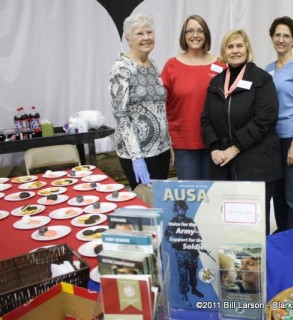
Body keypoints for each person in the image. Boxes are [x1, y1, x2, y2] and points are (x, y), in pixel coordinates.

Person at [201, 29, 282, 235]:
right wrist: (214, 147)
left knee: (252, 224)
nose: (235, 51)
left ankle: (256, 266)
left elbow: (265, 118)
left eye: (239, 45)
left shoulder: (261, 79)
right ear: (224, 51)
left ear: (247, 49)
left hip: (256, 162)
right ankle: (230, 265)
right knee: (227, 222)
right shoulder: (216, 82)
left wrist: (236, 147)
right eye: (230, 46)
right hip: (223, 163)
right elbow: (206, 118)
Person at [108, 13, 172, 191]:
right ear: (128, 39)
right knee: (147, 204)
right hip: (138, 153)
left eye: (149, 32)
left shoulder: (153, 65)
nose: (146, 38)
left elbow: (160, 108)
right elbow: (120, 115)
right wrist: (136, 157)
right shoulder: (121, 67)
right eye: (140, 34)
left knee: (160, 202)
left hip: (162, 149)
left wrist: (168, 143)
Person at [161, 15, 225, 180]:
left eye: (200, 30)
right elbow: (161, 106)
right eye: (190, 30)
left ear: (206, 35)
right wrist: (167, 142)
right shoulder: (171, 66)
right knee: (191, 200)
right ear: (184, 35)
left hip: (215, 144)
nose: (195, 35)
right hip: (183, 144)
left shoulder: (220, 66)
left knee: (212, 198)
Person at [265, 16, 293, 232]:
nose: (281, 39)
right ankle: (283, 236)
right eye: (277, 35)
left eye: (286, 36)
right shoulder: (267, 69)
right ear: (272, 38)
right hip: (272, 142)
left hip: (292, 139)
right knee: (278, 195)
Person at [164, 200, 204, 301]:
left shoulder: (190, 221)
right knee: (183, 273)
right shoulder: (172, 223)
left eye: (183, 209)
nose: (181, 211)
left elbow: (197, 235)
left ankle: (194, 288)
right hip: (181, 252)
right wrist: (180, 238)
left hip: (192, 252)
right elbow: (167, 237)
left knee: (193, 272)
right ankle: (183, 293)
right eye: (179, 209)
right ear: (176, 211)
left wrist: (198, 243)